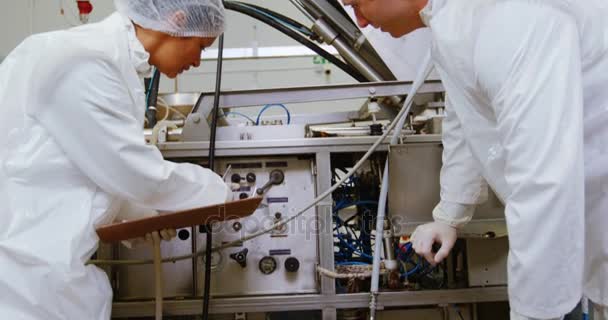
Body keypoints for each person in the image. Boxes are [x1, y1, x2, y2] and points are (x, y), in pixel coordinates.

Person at [342, 0, 608, 319]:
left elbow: (543, 182)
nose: (361, 20)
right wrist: (450, 214)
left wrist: (532, 313)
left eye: (358, 4)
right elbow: (467, 111)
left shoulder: (509, 16)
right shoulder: (458, 16)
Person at [0, 0, 231, 319]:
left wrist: (130, 211)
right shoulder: (83, 60)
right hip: (21, 275)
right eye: (201, 46)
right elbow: (130, 169)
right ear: (177, 21)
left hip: (41, 269)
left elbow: (75, 164)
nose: (197, 60)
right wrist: (219, 192)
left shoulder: (110, 62)